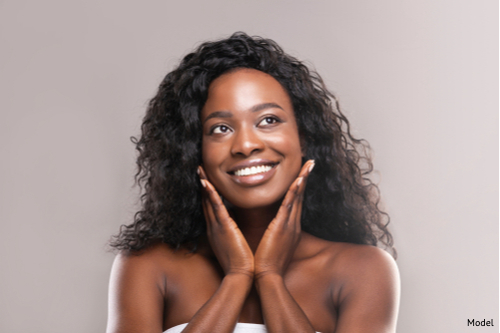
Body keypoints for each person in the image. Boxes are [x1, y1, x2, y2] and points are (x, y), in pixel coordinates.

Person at [106, 32, 400, 333]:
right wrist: (237, 277)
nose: (246, 145)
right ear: (193, 150)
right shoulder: (149, 265)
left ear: (304, 138)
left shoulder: (362, 270)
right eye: (220, 128)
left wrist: (270, 277)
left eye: (269, 120)